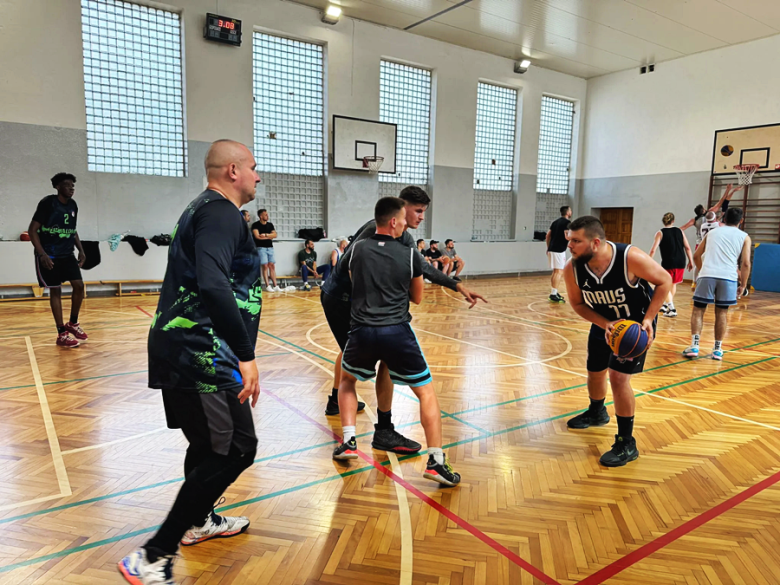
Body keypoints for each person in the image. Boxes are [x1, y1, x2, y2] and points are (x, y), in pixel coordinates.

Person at [118, 140, 262, 585]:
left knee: (205, 446)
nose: (258, 177)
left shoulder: (201, 209)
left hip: (187, 348)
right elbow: (215, 285)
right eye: (254, 168)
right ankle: (153, 554)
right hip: (202, 352)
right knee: (236, 448)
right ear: (233, 170)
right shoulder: (220, 212)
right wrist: (246, 355)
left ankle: (199, 522)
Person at [319, 186, 487, 454]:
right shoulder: (373, 232)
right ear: (401, 208)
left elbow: (425, 269)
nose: (421, 217)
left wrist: (455, 285)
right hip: (340, 299)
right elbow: (348, 267)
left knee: (359, 352)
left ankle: (339, 405)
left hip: (355, 303)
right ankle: (381, 429)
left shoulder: (404, 240)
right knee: (375, 353)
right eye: (418, 211)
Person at [333, 197, 461, 487]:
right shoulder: (409, 254)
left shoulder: (356, 250)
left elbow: (356, 284)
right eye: (403, 219)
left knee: (347, 382)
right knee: (426, 393)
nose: (406, 224)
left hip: (362, 331)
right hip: (396, 332)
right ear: (393, 222)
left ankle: (350, 441)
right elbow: (416, 297)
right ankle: (436, 462)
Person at [563, 216, 671, 467]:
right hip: (604, 322)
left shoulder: (629, 258)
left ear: (596, 242)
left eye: (576, 241)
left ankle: (626, 443)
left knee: (618, 377)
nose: (570, 246)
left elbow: (664, 280)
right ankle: (597, 411)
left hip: (635, 326)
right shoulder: (573, 267)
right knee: (595, 370)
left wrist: (649, 319)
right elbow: (578, 304)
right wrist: (604, 324)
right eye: (570, 240)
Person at [683, 207, 751, 361]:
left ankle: (694, 346)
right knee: (722, 313)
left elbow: (696, 255)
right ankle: (717, 349)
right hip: (728, 278)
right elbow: (746, 263)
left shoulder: (712, 232)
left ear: (724, 219)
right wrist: (743, 285)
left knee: (698, 311)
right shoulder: (745, 237)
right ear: (741, 221)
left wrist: (702, 271)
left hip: (707, 275)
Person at [29, 172, 88, 348]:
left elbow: (73, 229)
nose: (71, 188)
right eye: (67, 185)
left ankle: (73, 323)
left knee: (79, 286)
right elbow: (32, 230)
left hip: (67, 254)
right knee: (56, 291)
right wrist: (42, 254)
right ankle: (61, 333)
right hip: (50, 254)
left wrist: (81, 250)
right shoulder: (48, 203)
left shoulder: (73, 205)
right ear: (57, 187)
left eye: (73, 186)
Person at [681, 184, 742, 286]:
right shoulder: (717, 222)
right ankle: (737, 282)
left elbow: (682, 228)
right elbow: (723, 200)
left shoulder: (695, 220)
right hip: (714, 244)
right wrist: (728, 190)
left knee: (698, 262)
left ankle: (695, 282)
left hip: (700, 243)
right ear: (705, 210)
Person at [648, 212, 694, 318]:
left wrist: (649, 261)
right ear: (673, 221)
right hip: (681, 261)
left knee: (664, 284)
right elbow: (687, 247)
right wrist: (691, 261)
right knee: (673, 284)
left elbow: (653, 250)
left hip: (669, 262)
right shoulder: (679, 231)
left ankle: (672, 308)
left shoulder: (660, 233)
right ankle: (665, 306)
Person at [546, 205, 572, 303]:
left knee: (555, 271)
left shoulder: (555, 222)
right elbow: (567, 236)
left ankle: (554, 291)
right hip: (559, 250)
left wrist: (548, 247)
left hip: (552, 249)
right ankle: (553, 294)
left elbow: (547, 235)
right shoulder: (567, 223)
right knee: (559, 271)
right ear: (568, 212)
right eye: (570, 210)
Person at [252, 209, 280, 292]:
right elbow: (257, 236)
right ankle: (267, 285)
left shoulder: (270, 225)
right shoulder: (255, 225)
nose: (267, 216)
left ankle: (275, 285)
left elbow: (275, 235)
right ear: (261, 216)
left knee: (272, 265)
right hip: (261, 248)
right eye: (265, 215)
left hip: (270, 247)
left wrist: (265, 235)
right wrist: (269, 237)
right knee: (265, 266)